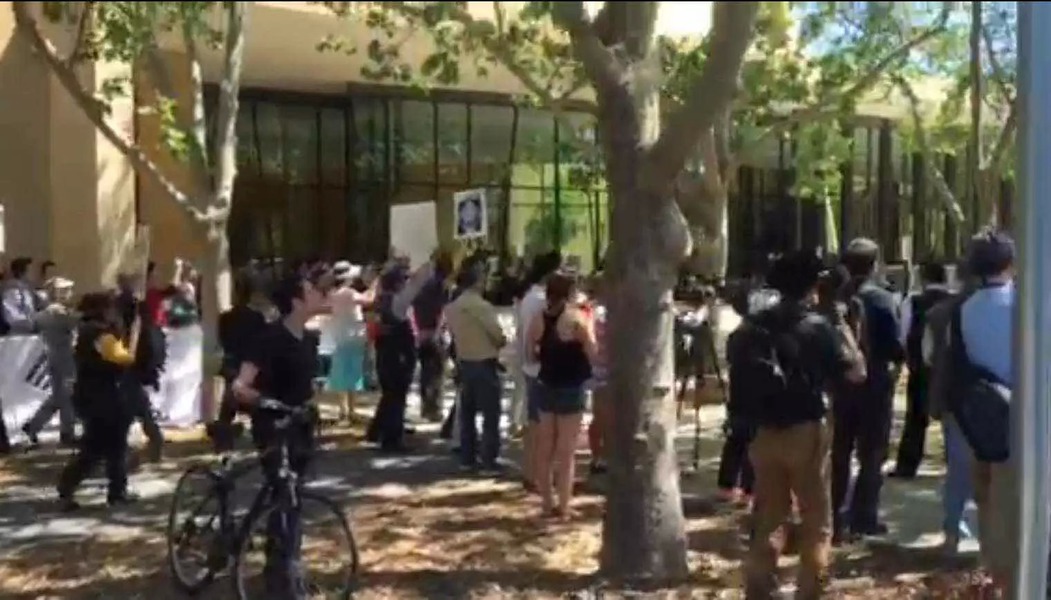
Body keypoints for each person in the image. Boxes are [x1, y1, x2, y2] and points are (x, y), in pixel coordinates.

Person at [736, 251, 866, 598]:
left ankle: (759, 586)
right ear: (813, 285)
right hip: (807, 430)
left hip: (762, 431)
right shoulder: (818, 326)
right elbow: (856, 372)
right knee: (816, 518)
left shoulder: (753, 325)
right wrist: (841, 324)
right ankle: (811, 588)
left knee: (769, 514)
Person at [230, 270, 327, 598]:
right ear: (297, 301)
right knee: (284, 494)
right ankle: (284, 578)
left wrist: (311, 405)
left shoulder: (309, 339)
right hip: (272, 425)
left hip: (300, 425)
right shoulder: (269, 338)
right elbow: (241, 385)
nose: (319, 293)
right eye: (311, 290)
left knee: (292, 497)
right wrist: (262, 400)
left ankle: (284, 568)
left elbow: (306, 386)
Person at [830, 238, 904, 540]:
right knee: (872, 453)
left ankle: (834, 516)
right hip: (875, 384)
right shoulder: (882, 299)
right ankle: (864, 516)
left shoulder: (833, 297)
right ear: (875, 265)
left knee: (839, 451)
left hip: (839, 385)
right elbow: (895, 345)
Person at [957, 229, 1016, 593]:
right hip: (1022, 420)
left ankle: (996, 577)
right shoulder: (1025, 303)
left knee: (989, 502)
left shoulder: (966, 308)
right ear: (1011, 263)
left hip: (982, 420)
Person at [57, 291, 141, 511]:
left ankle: (72, 486)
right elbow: (124, 359)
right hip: (105, 397)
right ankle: (115, 492)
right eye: (111, 308)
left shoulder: (86, 331)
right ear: (102, 310)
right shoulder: (101, 335)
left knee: (98, 448)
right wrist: (134, 338)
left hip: (92, 396)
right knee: (110, 447)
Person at [527, 271, 596, 520]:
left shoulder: (538, 319)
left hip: (546, 384)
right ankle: (564, 506)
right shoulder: (577, 319)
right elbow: (593, 352)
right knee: (566, 452)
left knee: (544, 448)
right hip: (571, 387)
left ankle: (547, 502)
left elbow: (530, 354)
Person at [921, 262, 975, 556]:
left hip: (956, 399)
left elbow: (928, 356)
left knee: (958, 467)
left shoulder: (939, 313)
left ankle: (953, 531)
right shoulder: (1020, 306)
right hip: (1006, 401)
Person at [889, 261, 951, 479]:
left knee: (915, 417)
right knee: (950, 419)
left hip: (919, 367)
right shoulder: (954, 301)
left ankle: (907, 466)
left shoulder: (913, 302)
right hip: (947, 369)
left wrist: (906, 360)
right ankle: (953, 467)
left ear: (923, 278)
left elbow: (903, 333)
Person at [445, 261, 507, 474]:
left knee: (467, 413)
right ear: (478, 282)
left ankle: (467, 457)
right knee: (491, 414)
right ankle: (489, 460)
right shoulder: (482, 307)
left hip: (464, 361)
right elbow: (497, 335)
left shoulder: (453, 307)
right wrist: (501, 341)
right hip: (484, 361)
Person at [366, 259, 433, 452]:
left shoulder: (380, 300)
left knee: (389, 394)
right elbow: (417, 284)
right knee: (397, 396)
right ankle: (392, 439)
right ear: (397, 283)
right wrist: (426, 263)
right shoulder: (397, 302)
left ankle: (377, 430)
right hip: (398, 355)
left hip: (383, 353)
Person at [516, 252, 561, 490]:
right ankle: (538, 475)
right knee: (542, 425)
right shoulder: (540, 301)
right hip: (540, 368)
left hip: (531, 366)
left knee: (534, 421)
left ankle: (530, 472)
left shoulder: (528, 297)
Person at [21, 277, 79, 447]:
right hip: (65, 357)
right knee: (66, 395)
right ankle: (66, 433)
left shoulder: (43, 315)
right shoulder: (61, 315)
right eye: (66, 290)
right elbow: (76, 324)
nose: (70, 293)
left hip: (54, 356)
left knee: (59, 396)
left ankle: (33, 426)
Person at [324, 261, 374, 424]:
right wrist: (374, 285)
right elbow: (369, 300)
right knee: (353, 373)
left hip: (340, 337)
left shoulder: (332, 293)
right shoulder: (349, 293)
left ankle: (344, 410)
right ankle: (350, 410)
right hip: (353, 337)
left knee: (341, 373)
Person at [412, 251, 453, 422]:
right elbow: (443, 311)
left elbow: (414, 308)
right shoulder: (443, 286)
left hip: (422, 331)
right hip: (435, 332)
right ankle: (434, 408)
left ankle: (425, 407)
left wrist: (417, 330)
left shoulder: (422, 285)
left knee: (425, 372)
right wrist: (439, 331)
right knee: (437, 372)